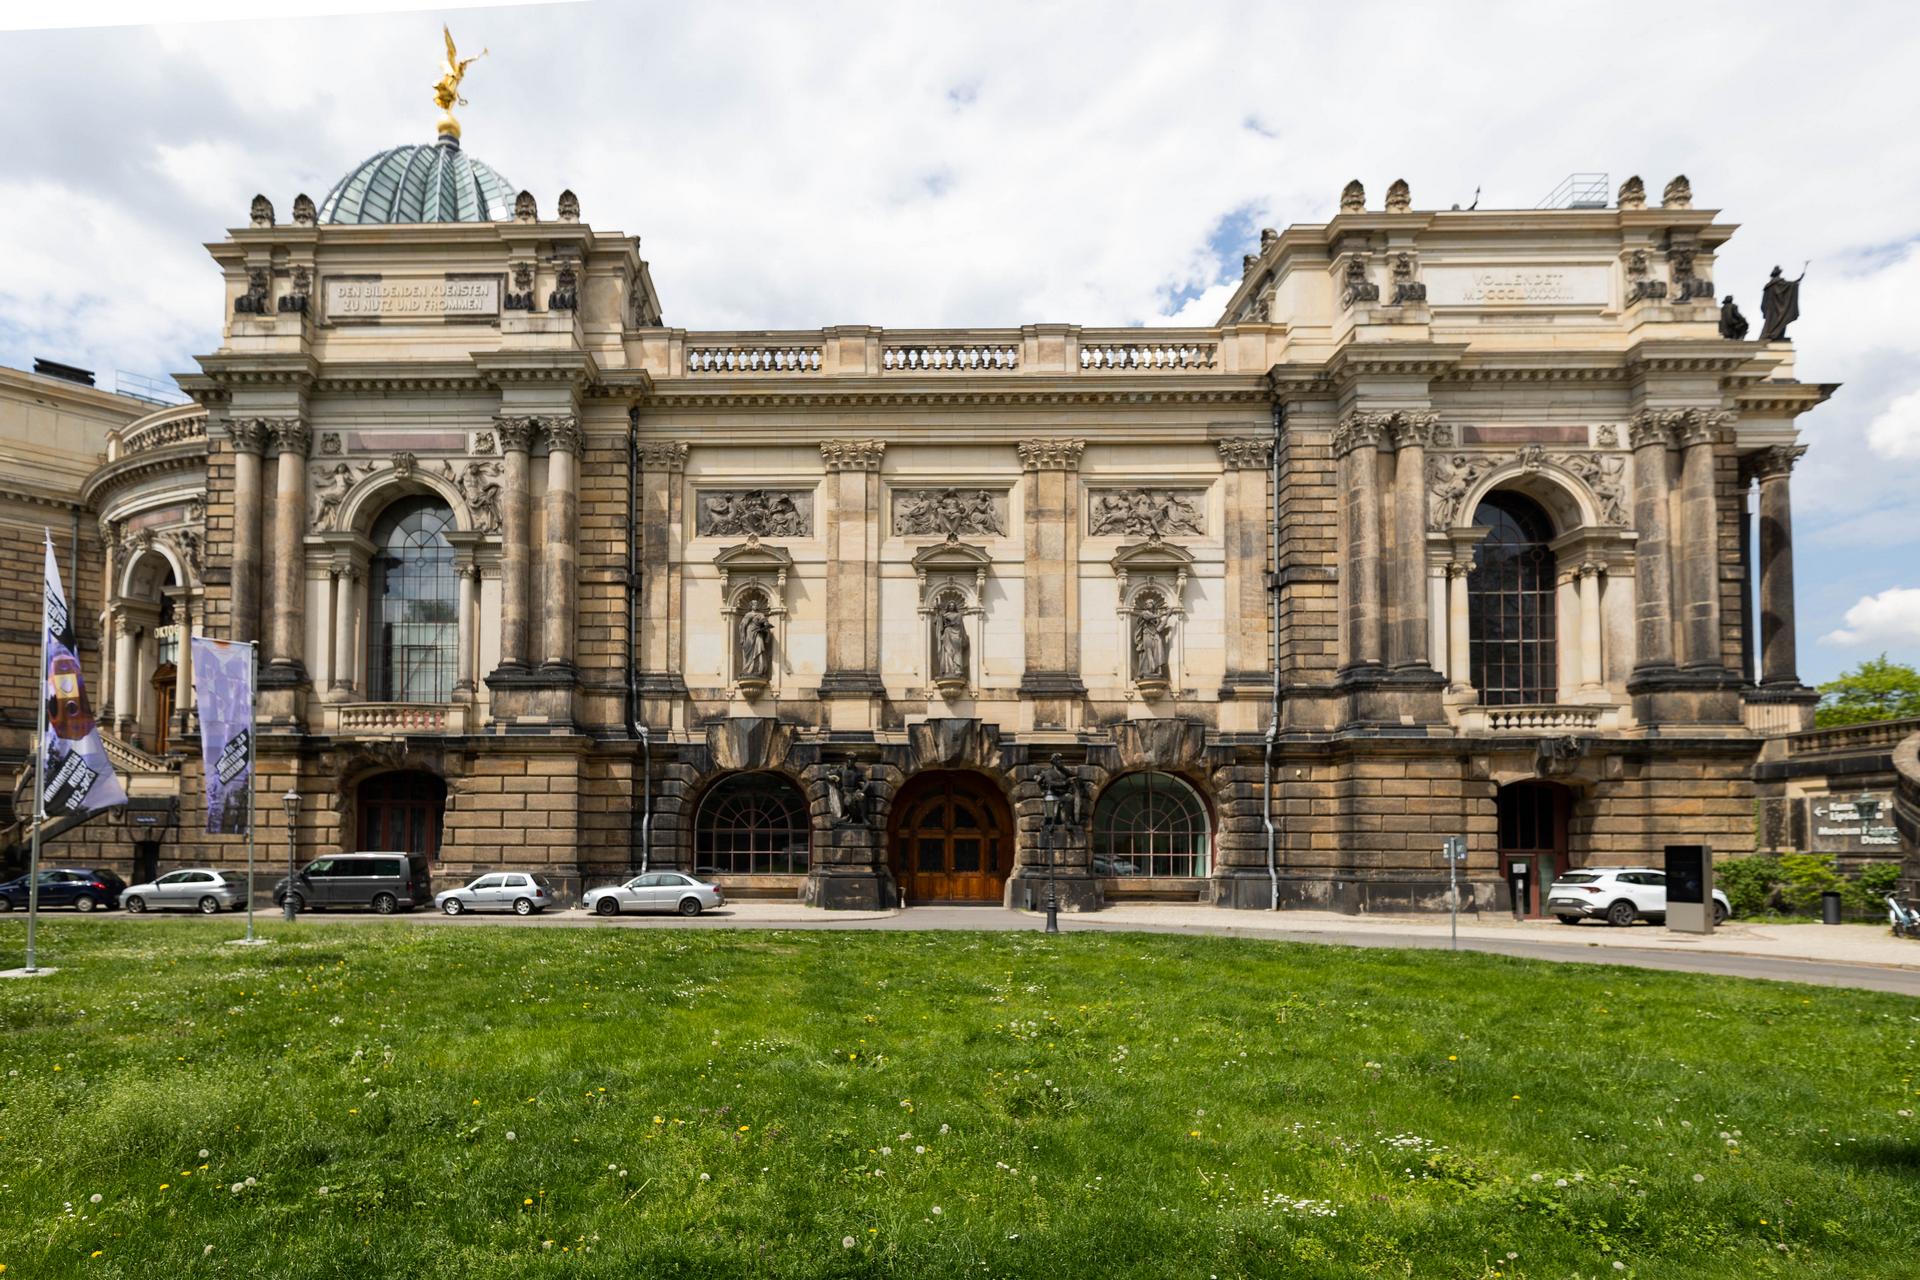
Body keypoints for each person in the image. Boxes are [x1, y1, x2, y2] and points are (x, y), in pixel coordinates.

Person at [1758, 264, 1806, 342]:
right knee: (1782, 319)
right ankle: (1775, 335)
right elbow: (1790, 285)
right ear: (1779, 273)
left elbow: (1764, 301)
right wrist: (1799, 279)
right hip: (1778, 308)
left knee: (1773, 322)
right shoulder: (1780, 282)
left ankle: (1775, 335)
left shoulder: (1768, 285)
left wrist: (1765, 309)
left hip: (1770, 308)